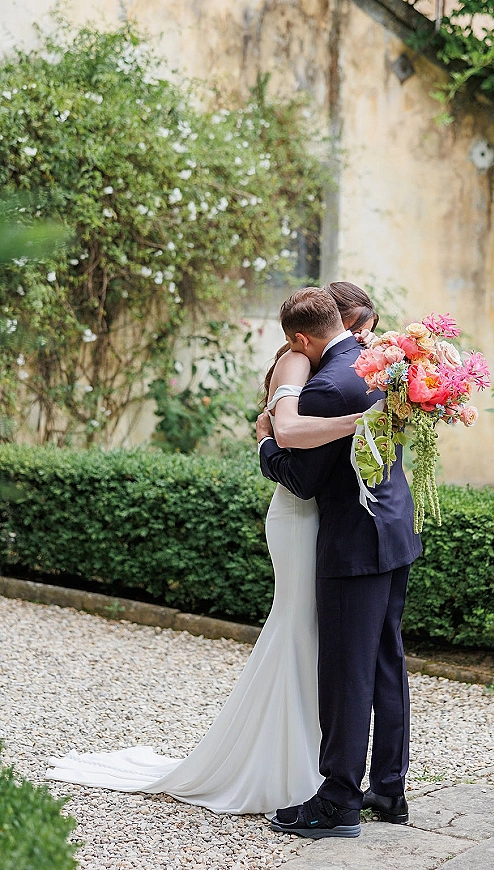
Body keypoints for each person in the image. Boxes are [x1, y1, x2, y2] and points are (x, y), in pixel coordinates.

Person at [45, 284, 376, 816]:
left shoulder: (345, 364)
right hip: (299, 515)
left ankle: (322, 762)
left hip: (326, 520)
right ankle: (289, 764)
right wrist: (271, 442)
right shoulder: (297, 363)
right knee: (297, 625)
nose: (364, 338)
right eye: (358, 326)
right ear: (320, 327)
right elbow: (285, 442)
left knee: (311, 631)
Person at [257, 287, 422, 839]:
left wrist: (265, 445)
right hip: (395, 530)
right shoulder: (378, 363)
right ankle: (389, 788)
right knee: (383, 662)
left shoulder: (328, 387)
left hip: (355, 542)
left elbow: (304, 479)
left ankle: (338, 803)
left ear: (302, 339)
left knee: (346, 671)